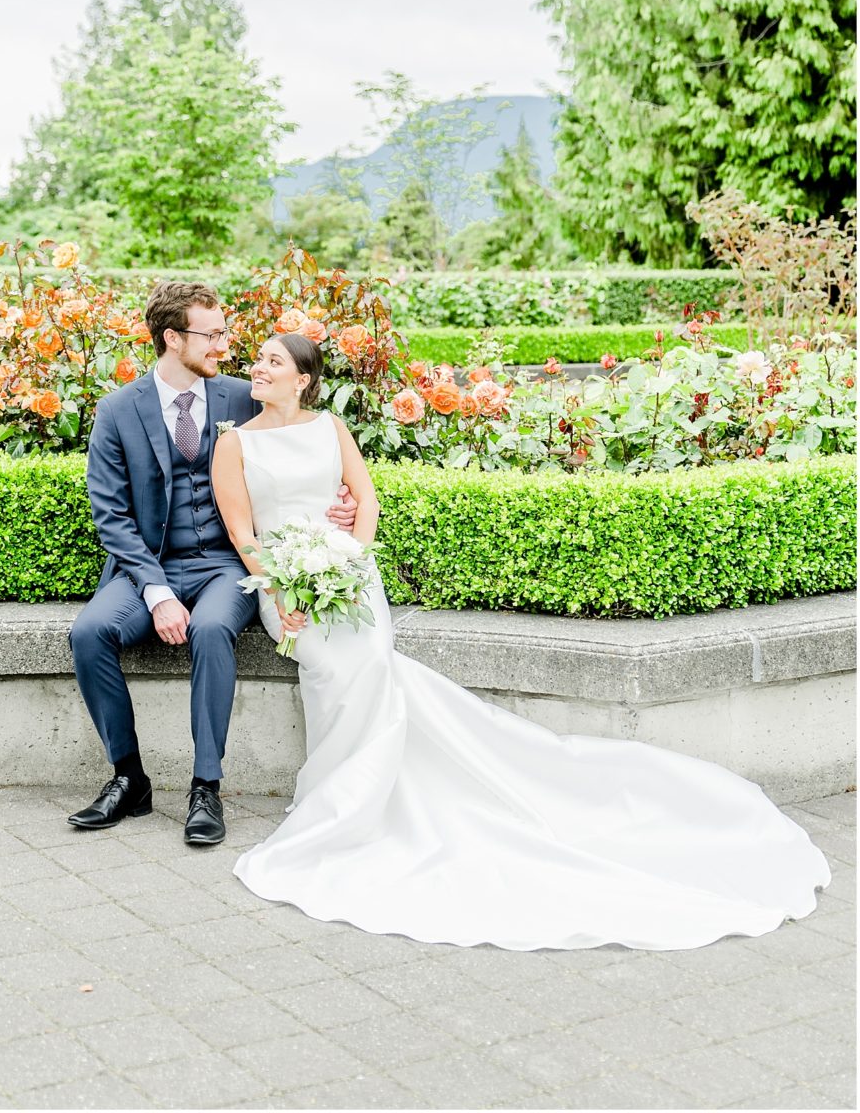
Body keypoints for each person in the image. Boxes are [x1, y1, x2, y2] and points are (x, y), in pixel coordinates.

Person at [210, 331, 832, 950]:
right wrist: (286, 594)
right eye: (258, 358)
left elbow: (364, 501)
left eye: (273, 361)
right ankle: (335, 797)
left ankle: (355, 795)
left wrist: (351, 560)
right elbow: (244, 532)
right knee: (330, 669)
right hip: (283, 582)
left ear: (304, 380)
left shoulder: (331, 428)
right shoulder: (235, 445)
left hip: (348, 572)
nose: (257, 368)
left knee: (371, 658)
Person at [67, 281, 357, 844]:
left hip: (228, 563)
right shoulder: (118, 410)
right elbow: (112, 517)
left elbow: (302, 449)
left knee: (208, 629)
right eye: (213, 334)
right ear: (173, 339)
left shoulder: (243, 397)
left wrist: (338, 501)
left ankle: (207, 788)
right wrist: (155, 592)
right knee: (90, 632)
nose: (225, 345)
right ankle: (129, 779)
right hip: (148, 567)